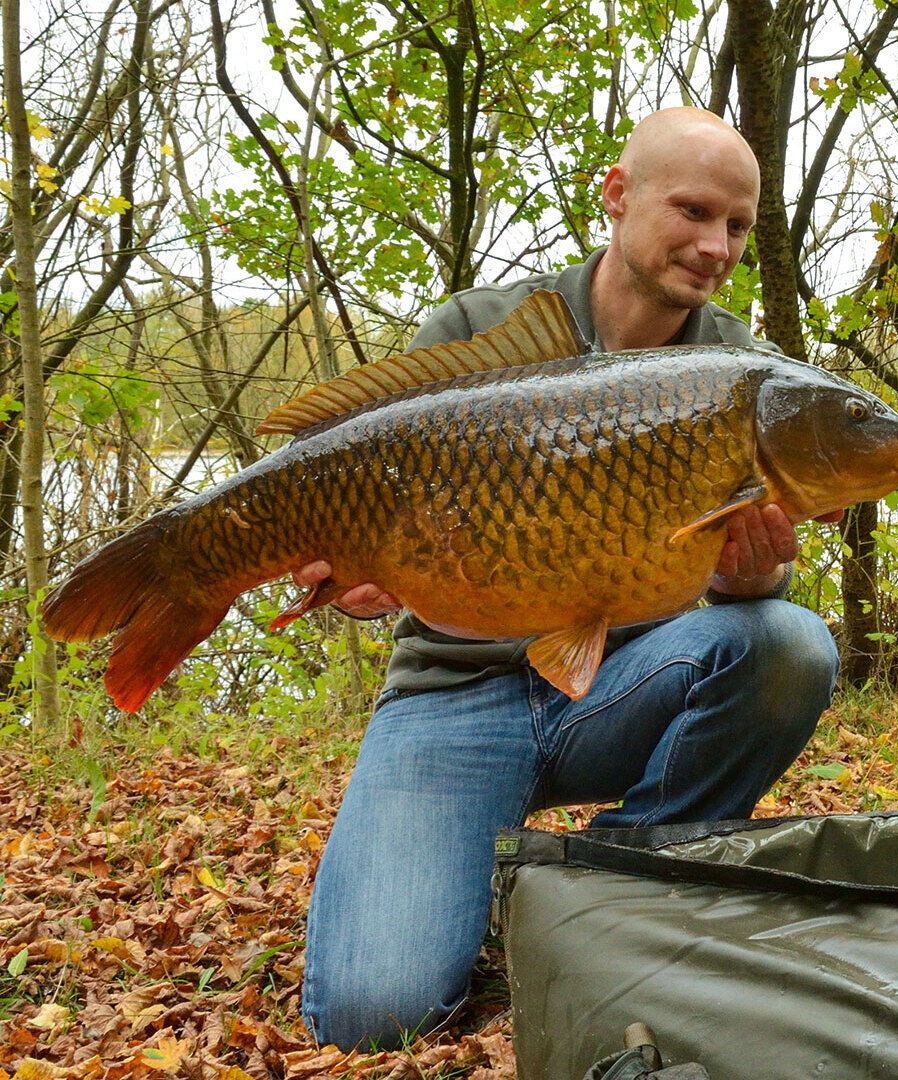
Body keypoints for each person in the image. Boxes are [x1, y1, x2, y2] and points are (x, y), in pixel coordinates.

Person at [291, 107, 841, 1050]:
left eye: (739, 227)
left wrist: (752, 578)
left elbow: (725, 608)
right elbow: (357, 489)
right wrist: (357, 566)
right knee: (372, 1014)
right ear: (618, 197)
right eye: (693, 211)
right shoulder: (480, 327)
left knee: (790, 642)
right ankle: (484, 869)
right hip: (451, 697)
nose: (715, 247)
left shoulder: (744, 371)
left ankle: (608, 878)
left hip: (616, 687)